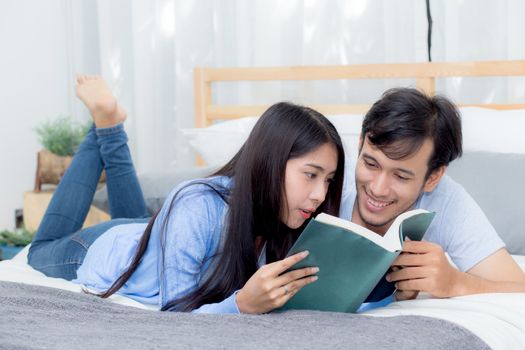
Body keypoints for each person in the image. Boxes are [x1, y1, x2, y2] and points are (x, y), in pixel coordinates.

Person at [28, 75, 346, 314]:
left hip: (154, 238)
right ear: (271, 162)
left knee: (143, 222)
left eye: (329, 180)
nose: (320, 194)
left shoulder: (291, 220)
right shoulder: (196, 206)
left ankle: (110, 126)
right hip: (107, 249)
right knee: (39, 251)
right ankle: (105, 125)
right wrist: (241, 304)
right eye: (310, 174)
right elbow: (176, 313)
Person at [340, 87, 525, 308]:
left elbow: (518, 288)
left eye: (400, 176)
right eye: (370, 164)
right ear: (360, 144)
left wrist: (457, 283)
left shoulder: (447, 201)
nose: (378, 189)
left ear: (433, 178)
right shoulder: (327, 178)